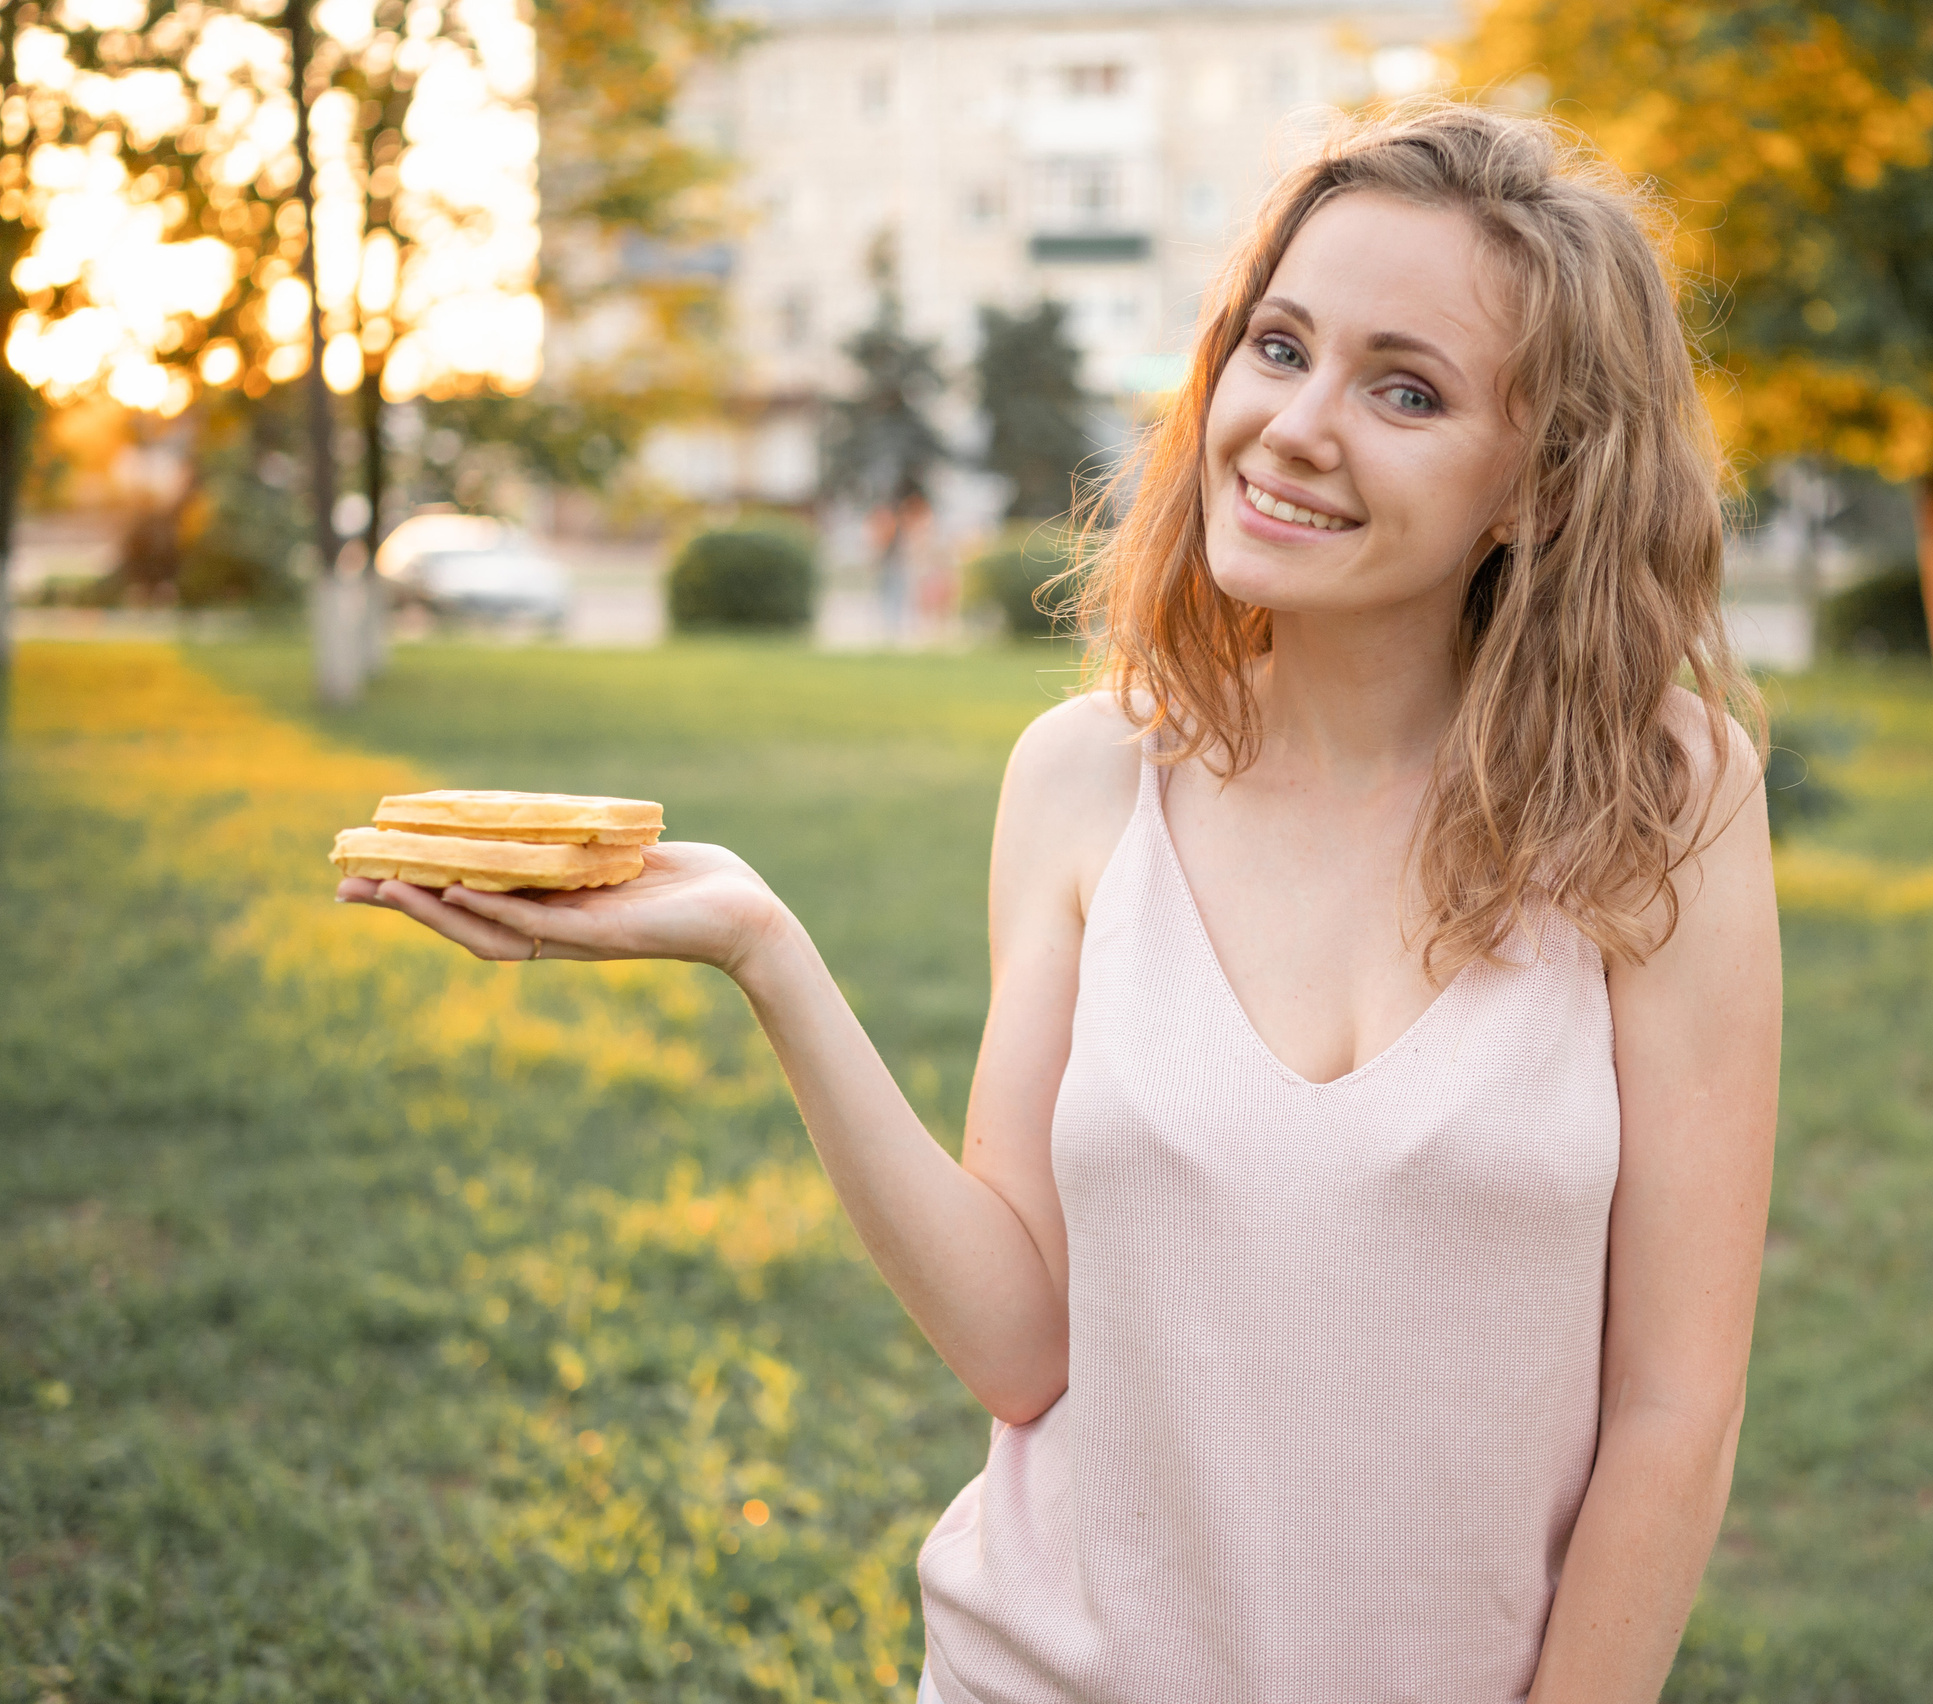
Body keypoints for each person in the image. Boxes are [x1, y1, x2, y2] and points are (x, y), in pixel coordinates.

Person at [339, 102, 1781, 1704]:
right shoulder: (1089, 777)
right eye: (1279, 346)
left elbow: (1676, 1409)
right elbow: (1021, 1346)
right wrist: (766, 950)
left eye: (1406, 389)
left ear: (1542, 486)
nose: (1294, 426)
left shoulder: (1660, 801)